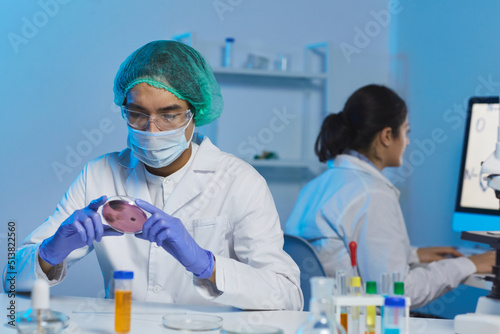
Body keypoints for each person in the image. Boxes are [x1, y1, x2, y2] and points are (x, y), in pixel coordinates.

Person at [4, 40, 302, 311]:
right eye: (137, 113)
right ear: (124, 109)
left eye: (169, 114)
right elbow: (12, 281)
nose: (151, 129)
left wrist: (206, 265)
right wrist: (50, 251)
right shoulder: (99, 173)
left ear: (194, 113)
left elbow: (287, 295)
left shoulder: (239, 180)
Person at [285, 84, 495, 309]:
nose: (408, 142)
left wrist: (412, 254)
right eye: (406, 131)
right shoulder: (372, 194)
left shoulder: (317, 186)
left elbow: (337, 253)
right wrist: (469, 264)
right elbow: (400, 293)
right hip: (355, 323)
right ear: (386, 136)